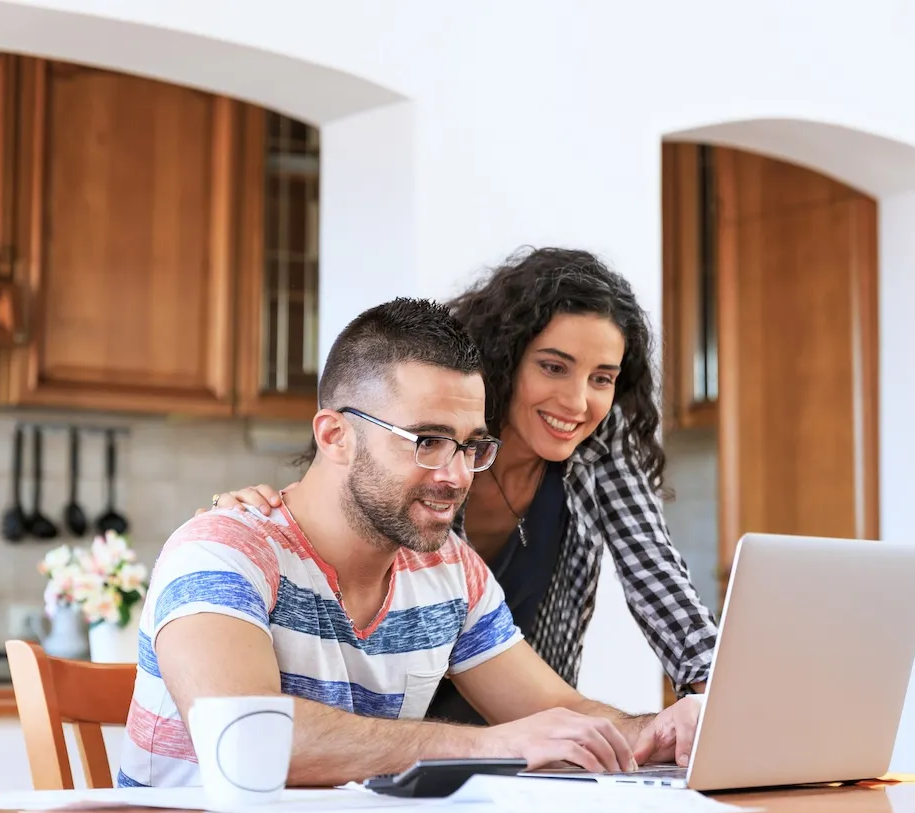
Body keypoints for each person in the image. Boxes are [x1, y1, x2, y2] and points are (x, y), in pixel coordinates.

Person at [121, 297, 705, 789]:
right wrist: (492, 747)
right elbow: (243, 737)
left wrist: (657, 730)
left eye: (471, 446)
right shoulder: (222, 550)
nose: (455, 476)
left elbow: (561, 712)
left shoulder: (448, 570)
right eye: (426, 440)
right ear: (335, 435)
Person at [207, 247, 718, 726]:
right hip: (400, 742)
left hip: (526, 731)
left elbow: (658, 579)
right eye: (554, 367)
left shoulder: (599, 449)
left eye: (602, 378)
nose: (578, 402)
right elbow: (348, 495)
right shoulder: (433, 457)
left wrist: (715, 705)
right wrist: (253, 527)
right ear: (508, 358)